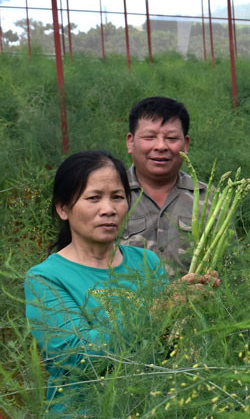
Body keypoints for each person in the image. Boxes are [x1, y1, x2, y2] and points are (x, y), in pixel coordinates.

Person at [25, 151, 217, 412]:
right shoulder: (46, 278)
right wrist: (157, 309)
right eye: (93, 198)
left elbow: (164, 343)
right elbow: (77, 357)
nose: (109, 209)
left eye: (117, 197)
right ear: (63, 208)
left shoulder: (146, 262)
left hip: (149, 407)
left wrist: (191, 304)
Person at [122, 96, 207, 278]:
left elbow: (232, 271)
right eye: (149, 137)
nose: (161, 146)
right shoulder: (107, 196)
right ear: (130, 142)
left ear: (185, 144)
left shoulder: (211, 200)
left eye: (171, 138)